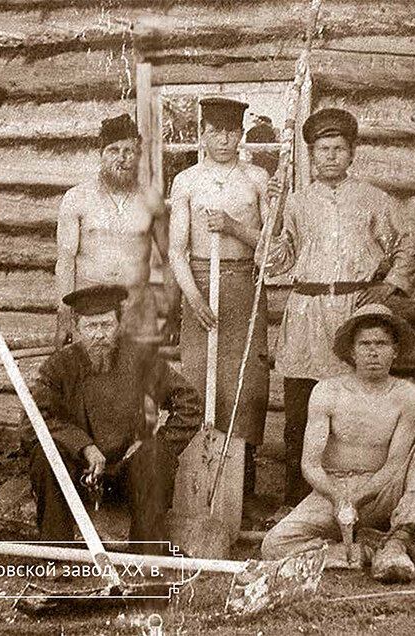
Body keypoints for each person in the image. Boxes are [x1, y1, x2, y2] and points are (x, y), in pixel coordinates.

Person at [262, 108, 415, 509]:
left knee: (346, 413)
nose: (330, 156)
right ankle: (296, 502)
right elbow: (276, 261)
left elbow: (409, 240)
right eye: (322, 150)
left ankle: (353, 501)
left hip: (352, 309)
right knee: (299, 415)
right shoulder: (296, 202)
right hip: (305, 311)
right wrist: (270, 216)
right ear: (312, 155)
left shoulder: (372, 200)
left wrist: (388, 287)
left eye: (338, 149)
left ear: (351, 154)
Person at [261, 304, 415, 583]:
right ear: (351, 351)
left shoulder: (406, 395)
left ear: (395, 350)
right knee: (274, 545)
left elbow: (394, 464)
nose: (373, 351)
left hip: (383, 489)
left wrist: (360, 495)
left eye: (381, 344)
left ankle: (398, 540)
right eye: (365, 344)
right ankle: (364, 550)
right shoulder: (327, 391)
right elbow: (311, 464)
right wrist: (339, 497)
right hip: (334, 489)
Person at [26, 285, 202, 554]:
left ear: (119, 324)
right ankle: (56, 556)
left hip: (126, 475)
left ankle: (146, 558)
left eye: (106, 325)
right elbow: (32, 420)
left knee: (156, 456)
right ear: (76, 328)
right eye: (90, 327)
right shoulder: (59, 366)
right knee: (44, 454)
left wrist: (154, 443)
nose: (99, 335)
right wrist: (83, 446)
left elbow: (188, 400)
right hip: (76, 477)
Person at [168, 97, 271, 498]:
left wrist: (233, 226)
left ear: (241, 135)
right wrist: (192, 298)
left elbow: (270, 246)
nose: (223, 139)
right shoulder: (187, 180)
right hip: (198, 284)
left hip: (243, 283)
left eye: (231, 131)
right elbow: (176, 248)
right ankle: (195, 484)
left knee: (244, 382)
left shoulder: (258, 179)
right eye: (215, 131)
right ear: (203, 135)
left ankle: (239, 488)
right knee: (197, 381)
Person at [55, 114, 177, 350]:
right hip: (90, 309)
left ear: (138, 155)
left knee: (136, 381)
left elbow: (169, 259)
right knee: (89, 380)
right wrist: (64, 317)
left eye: (129, 151)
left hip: (137, 310)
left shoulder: (151, 199)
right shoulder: (77, 198)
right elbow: (65, 262)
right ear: (100, 154)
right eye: (113, 150)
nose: (122, 158)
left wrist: (172, 314)